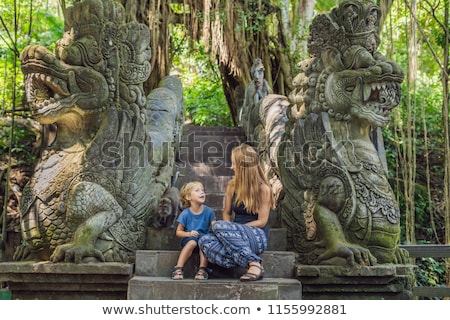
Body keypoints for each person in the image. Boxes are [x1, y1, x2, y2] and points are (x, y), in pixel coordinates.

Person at [199, 144, 274, 281]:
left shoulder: (264, 189)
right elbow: (226, 213)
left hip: (256, 234)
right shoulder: (231, 186)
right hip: (233, 235)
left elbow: (262, 221)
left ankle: (254, 264)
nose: (232, 167)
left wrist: (233, 230)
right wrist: (228, 230)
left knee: (218, 226)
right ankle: (249, 262)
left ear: (244, 166)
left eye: (234, 163)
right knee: (204, 241)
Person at [171, 181, 216, 280]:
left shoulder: (209, 211)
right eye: (197, 190)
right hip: (190, 239)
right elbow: (178, 232)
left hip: (204, 241)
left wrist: (216, 227)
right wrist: (188, 233)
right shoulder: (186, 213)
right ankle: (178, 268)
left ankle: (202, 269)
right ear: (188, 197)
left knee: (203, 242)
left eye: (203, 191)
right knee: (192, 242)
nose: (202, 193)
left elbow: (215, 226)